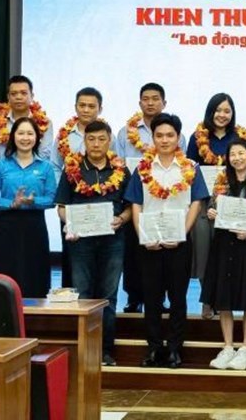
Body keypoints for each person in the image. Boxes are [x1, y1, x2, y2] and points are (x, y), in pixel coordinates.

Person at [125, 113, 209, 369]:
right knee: (151, 297)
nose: (164, 140)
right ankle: (153, 348)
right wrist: (143, 236)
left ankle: (174, 348)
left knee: (178, 297)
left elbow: (197, 202)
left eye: (169, 135)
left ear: (178, 138)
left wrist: (183, 232)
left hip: (179, 243)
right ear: (152, 137)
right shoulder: (142, 168)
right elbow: (136, 204)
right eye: (159, 135)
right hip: (149, 244)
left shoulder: (191, 167)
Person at [55, 120, 130, 367]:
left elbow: (130, 207)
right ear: (84, 141)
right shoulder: (72, 169)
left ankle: (106, 351)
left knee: (108, 296)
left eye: (101, 139)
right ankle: (84, 351)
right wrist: (71, 224)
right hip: (81, 243)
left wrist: (121, 219)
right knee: (83, 295)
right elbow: (62, 207)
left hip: (113, 240)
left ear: (109, 141)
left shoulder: (121, 169)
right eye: (91, 139)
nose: (96, 144)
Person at [115, 82, 187, 313]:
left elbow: (181, 163)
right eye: (146, 98)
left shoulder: (176, 134)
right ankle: (133, 297)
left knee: (166, 257)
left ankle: (160, 299)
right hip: (135, 195)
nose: (150, 102)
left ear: (164, 102)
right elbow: (117, 163)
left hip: (168, 198)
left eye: (155, 98)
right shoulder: (125, 133)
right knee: (135, 252)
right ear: (139, 103)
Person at [203, 138, 246, 370]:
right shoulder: (222, 180)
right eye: (233, 154)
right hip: (224, 244)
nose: (237, 158)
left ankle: (245, 349)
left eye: (241, 153)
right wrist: (212, 212)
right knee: (224, 298)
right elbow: (213, 207)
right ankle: (227, 347)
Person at [186, 93, 246, 318]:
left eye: (227, 111)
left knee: (226, 253)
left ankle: (223, 300)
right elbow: (189, 170)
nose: (222, 115)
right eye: (218, 110)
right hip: (203, 204)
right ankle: (206, 299)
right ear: (210, 111)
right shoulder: (197, 138)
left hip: (232, 203)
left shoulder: (240, 137)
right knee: (204, 250)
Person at [50, 87, 115, 287]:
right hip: (73, 204)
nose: (86, 110)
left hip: (101, 205)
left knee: (101, 264)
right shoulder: (64, 135)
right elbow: (54, 166)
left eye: (91, 106)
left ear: (100, 109)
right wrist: (64, 189)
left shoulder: (106, 136)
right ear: (75, 107)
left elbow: (115, 166)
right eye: (82, 105)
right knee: (72, 259)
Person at [0, 117, 56, 298]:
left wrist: (33, 202)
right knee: (7, 271)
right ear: (13, 136)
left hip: (35, 224)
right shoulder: (1, 165)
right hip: (7, 224)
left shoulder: (46, 167)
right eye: (21, 133)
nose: (25, 138)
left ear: (37, 138)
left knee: (35, 272)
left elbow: (51, 199)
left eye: (30, 133)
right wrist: (11, 203)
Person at [0, 75, 53, 169]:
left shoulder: (45, 123)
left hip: (33, 177)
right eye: (14, 93)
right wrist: (3, 173)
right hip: (2, 177)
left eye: (23, 93)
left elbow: (45, 154)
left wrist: (27, 174)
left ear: (32, 96)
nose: (18, 97)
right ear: (8, 97)